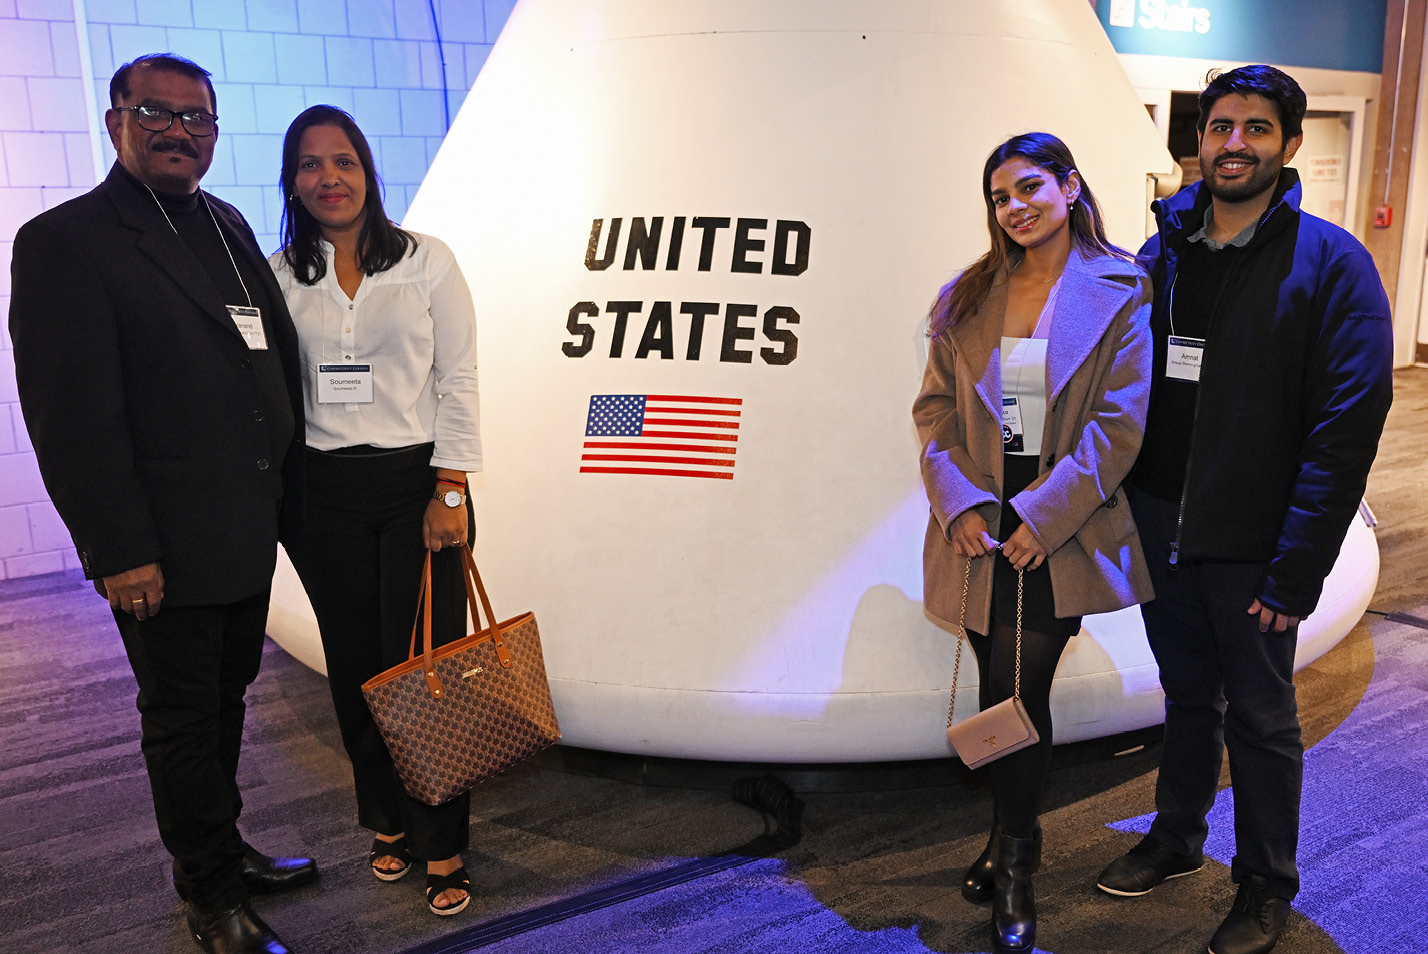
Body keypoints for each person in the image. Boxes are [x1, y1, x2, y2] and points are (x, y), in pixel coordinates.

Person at [8, 54, 314, 954]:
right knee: (181, 718)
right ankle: (208, 898)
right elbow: (71, 418)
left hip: (240, 527)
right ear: (116, 124)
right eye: (156, 112)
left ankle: (223, 846)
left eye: (197, 119)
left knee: (226, 702)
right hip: (162, 545)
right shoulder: (66, 241)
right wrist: (118, 547)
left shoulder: (221, 222)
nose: (179, 130)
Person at [1093, 65, 1394, 954]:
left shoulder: (1332, 265)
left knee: (1263, 720)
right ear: (1201, 140)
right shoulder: (1162, 253)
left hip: (1256, 546)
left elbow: (1347, 429)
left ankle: (1265, 883)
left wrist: (1298, 566)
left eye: (1256, 129)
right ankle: (1178, 838)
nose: (1234, 144)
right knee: (1187, 698)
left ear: (1288, 147)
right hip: (1161, 526)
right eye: (1221, 127)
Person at [914, 132, 1154, 954]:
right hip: (981, 528)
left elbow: (1118, 429)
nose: (1014, 208)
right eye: (998, 197)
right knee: (998, 689)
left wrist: (1039, 520)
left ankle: (1017, 865)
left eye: (1028, 189)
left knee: (1023, 689)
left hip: (1062, 529)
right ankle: (1004, 837)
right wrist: (964, 505)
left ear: (1070, 186)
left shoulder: (1121, 289)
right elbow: (936, 414)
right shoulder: (967, 294)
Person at [270, 105, 483, 918]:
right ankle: (387, 820)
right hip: (322, 497)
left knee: (427, 672)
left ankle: (446, 840)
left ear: (368, 170)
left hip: (416, 491)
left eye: (344, 161)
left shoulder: (427, 262)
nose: (330, 178)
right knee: (359, 671)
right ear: (292, 181)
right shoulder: (280, 274)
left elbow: (459, 378)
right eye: (311, 165)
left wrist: (451, 487)